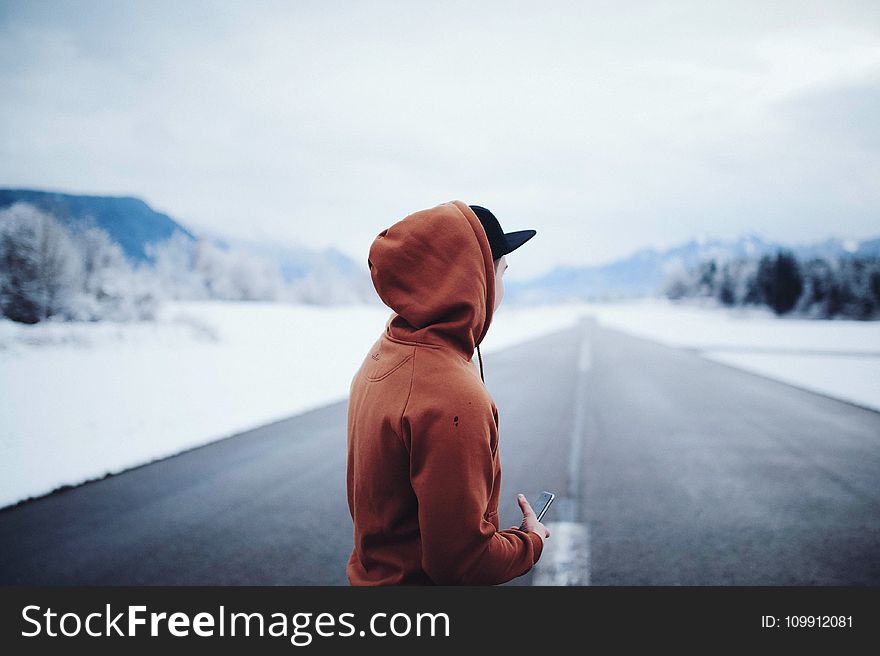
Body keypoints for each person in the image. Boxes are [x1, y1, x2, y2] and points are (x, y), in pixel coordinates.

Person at [346, 200, 550, 585]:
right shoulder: (454, 397)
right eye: (501, 272)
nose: (502, 288)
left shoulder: (386, 352)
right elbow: (464, 565)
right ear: (475, 279)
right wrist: (530, 542)